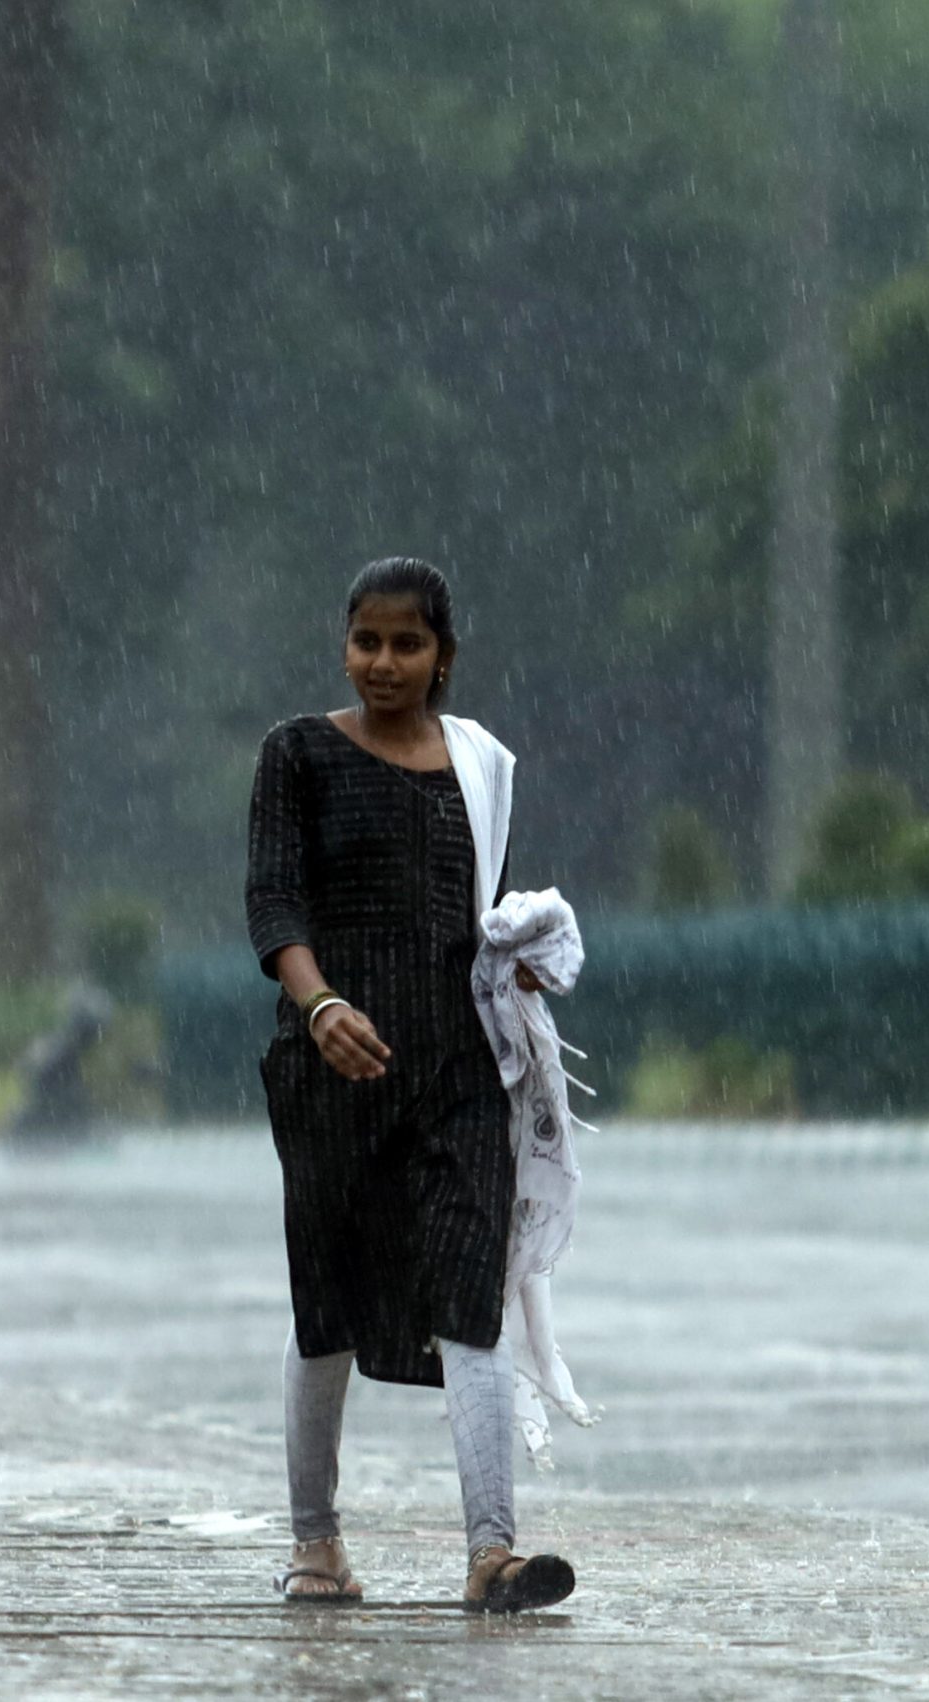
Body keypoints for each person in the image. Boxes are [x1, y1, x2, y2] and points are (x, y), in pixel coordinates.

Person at [244, 557, 577, 1613]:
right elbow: (272, 903)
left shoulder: (479, 766)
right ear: (344, 646)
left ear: (443, 656)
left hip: (460, 1070)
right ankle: (318, 1546)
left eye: (405, 644)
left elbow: (476, 916)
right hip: (330, 1068)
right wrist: (320, 1005)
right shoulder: (295, 754)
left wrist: (524, 953)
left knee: (467, 1295)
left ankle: (492, 1554)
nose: (383, 662)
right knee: (327, 1305)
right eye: (365, 642)